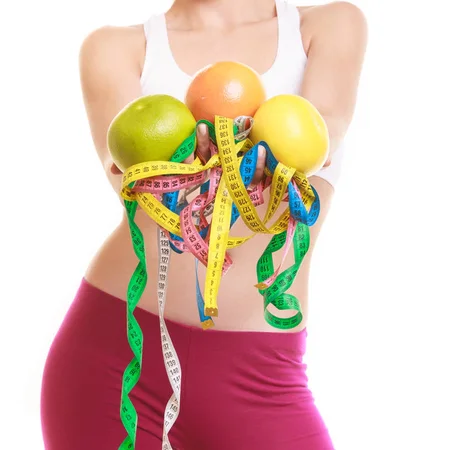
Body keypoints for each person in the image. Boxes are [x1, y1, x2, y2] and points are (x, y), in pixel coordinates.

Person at [40, 0, 367, 448]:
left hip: (261, 377)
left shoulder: (327, 26)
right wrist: (197, 168)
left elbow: (325, 129)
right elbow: (125, 174)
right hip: (116, 357)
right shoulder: (115, 49)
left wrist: (249, 153)